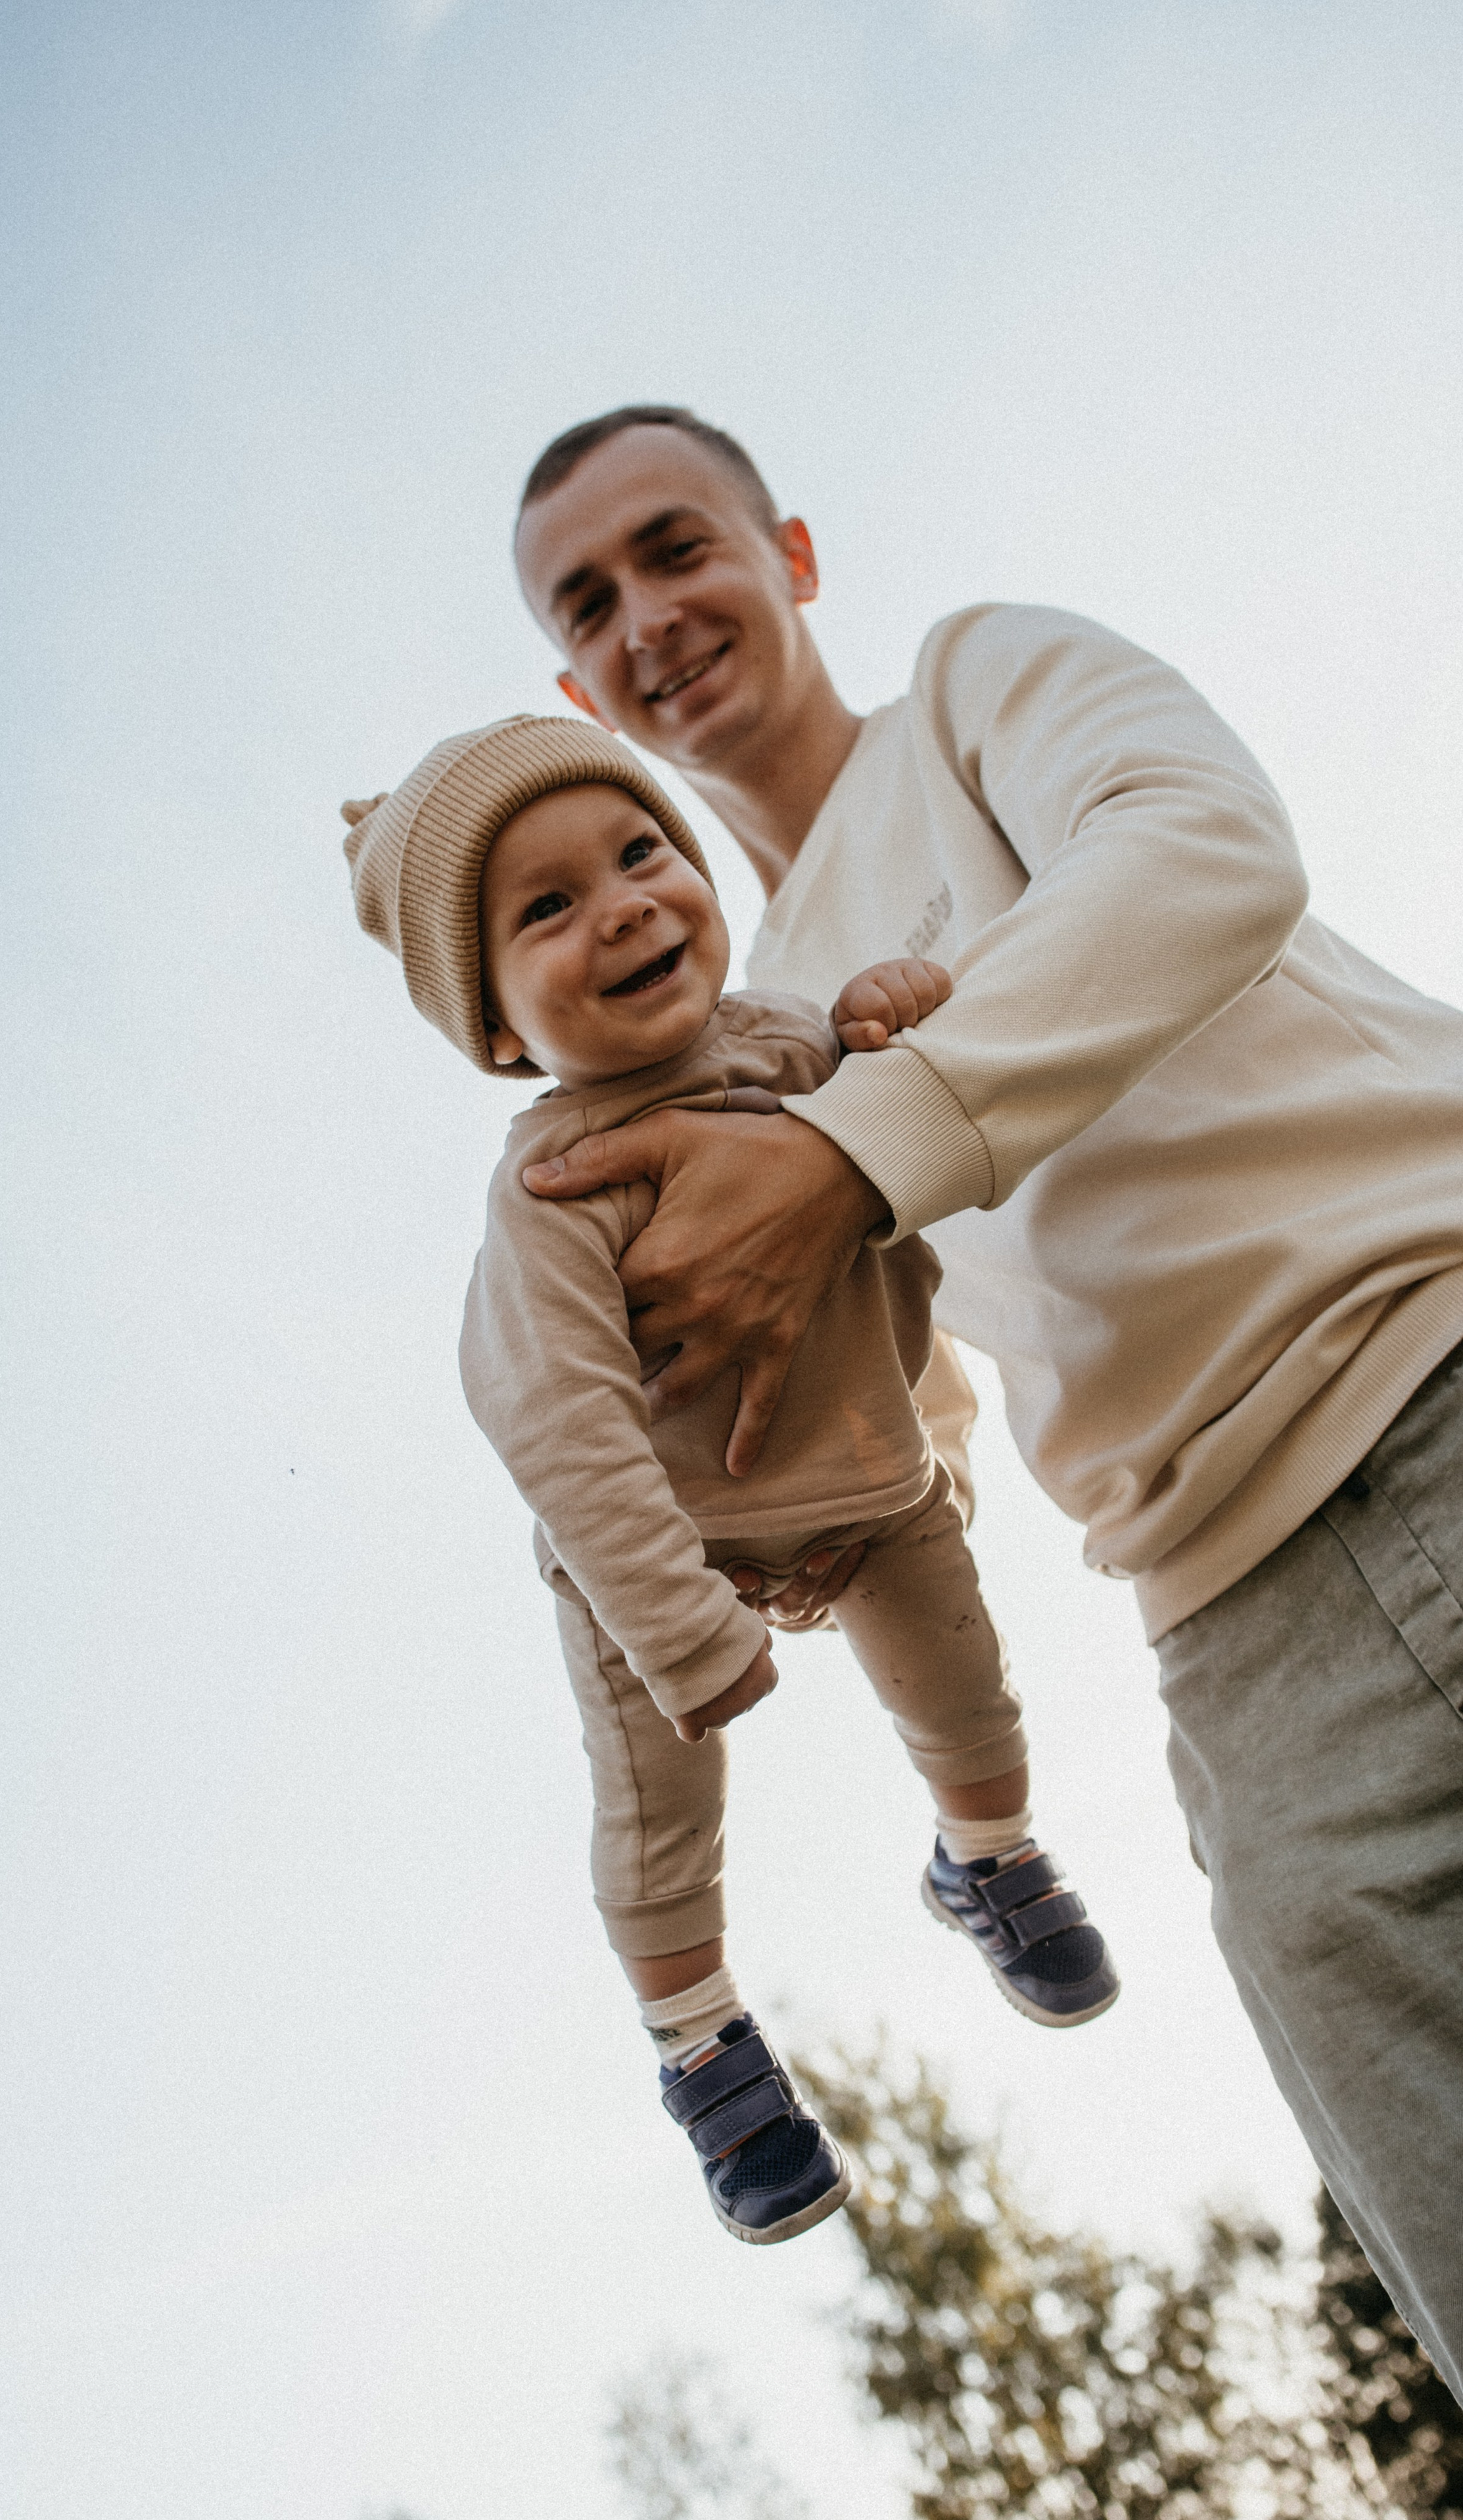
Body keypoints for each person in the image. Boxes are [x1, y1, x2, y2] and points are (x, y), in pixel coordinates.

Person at [509, 405, 1463, 2385]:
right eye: (589, 604)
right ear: (572, 686)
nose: (651, 615)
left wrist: (856, 1144)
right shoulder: (730, 1031)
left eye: (678, 547)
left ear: (790, 549)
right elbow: (909, 1365)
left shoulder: (975, 685)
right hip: (1235, 1637)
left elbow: (1205, 848)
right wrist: (787, 1518)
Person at [343, 713, 1118, 2246]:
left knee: (970, 1701)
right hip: (655, 1566)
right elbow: (550, 1418)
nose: (622, 905)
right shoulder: (556, 1187)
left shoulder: (795, 1041)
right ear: (497, 1026)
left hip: (868, 1492)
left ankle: (985, 1862)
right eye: (546, 910)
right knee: (657, 1818)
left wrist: (906, 1011)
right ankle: (703, 2046)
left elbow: (941, 1109)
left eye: (640, 855)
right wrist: (680, 1623)